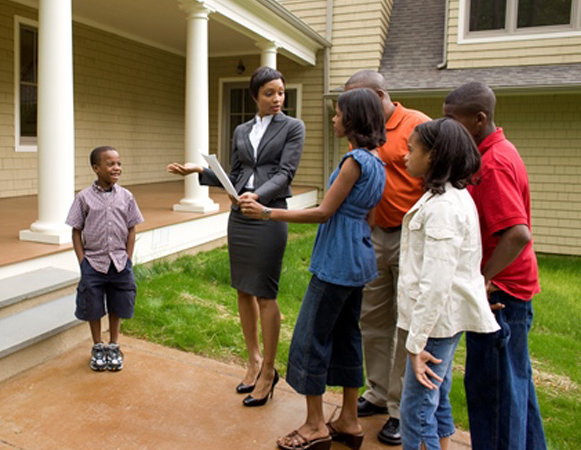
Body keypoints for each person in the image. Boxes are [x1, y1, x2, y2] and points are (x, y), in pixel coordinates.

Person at [242, 87, 386, 450]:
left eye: (338, 114)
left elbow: (323, 212)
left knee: (310, 339)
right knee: (349, 337)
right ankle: (350, 420)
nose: (334, 119)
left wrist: (267, 212)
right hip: (360, 258)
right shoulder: (378, 161)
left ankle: (314, 425)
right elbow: (368, 216)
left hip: (336, 264)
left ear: (352, 120)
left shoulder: (353, 162)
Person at [166, 66, 304, 407]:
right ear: (255, 95)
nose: (276, 99)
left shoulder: (293, 127)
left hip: (269, 214)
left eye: (281, 93)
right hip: (240, 216)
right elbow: (239, 171)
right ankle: (254, 360)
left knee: (265, 295)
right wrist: (202, 171)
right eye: (269, 93)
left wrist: (258, 196)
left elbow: (286, 173)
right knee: (243, 289)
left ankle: (270, 371)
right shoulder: (242, 129)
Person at [444, 82, 547, 450]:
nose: (447, 124)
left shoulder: (494, 163)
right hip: (506, 288)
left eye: (452, 118)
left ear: (479, 119)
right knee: (515, 387)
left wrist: (481, 281)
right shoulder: (492, 152)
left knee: (495, 396)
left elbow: (517, 234)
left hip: (501, 294)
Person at [396, 118, 500, 450]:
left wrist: (415, 343)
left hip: (435, 324)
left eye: (412, 150)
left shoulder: (443, 208)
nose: (405, 157)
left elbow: (436, 284)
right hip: (441, 322)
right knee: (436, 396)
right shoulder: (451, 197)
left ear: (435, 155)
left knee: (415, 407)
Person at [344, 70, 431, 446]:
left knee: (407, 321)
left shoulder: (419, 125)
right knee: (373, 317)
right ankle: (378, 392)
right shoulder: (362, 132)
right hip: (375, 235)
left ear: (380, 94)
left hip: (413, 238)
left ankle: (399, 408)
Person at [66, 146, 144, 372]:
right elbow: (76, 231)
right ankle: (97, 345)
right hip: (94, 262)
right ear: (96, 168)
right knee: (93, 305)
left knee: (118, 304)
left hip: (119, 262)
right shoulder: (83, 198)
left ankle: (114, 345)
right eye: (110, 164)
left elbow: (132, 229)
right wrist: (83, 262)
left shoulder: (127, 196)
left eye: (118, 163)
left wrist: (128, 259)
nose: (116, 168)